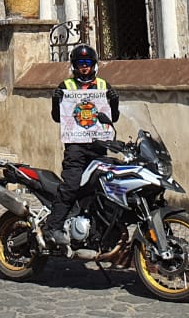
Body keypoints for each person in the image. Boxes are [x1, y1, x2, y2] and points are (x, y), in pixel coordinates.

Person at [44, 44, 119, 247]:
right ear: (74, 66)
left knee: (104, 187)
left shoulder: (104, 86)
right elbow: (57, 117)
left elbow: (114, 118)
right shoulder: (66, 86)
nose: (84, 67)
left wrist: (114, 102)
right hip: (75, 145)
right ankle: (53, 226)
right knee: (71, 184)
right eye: (80, 63)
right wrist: (55, 100)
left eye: (87, 63)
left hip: (98, 145)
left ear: (93, 65)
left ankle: (98, 231)